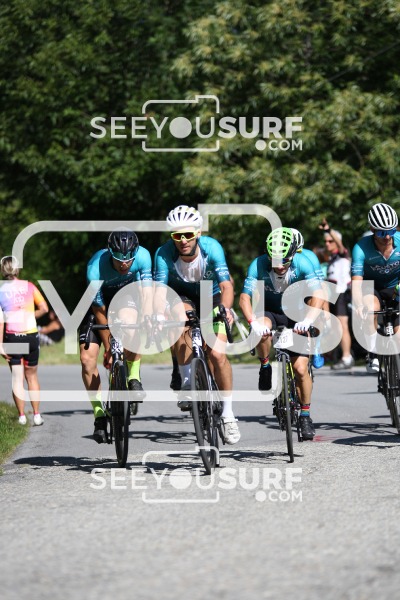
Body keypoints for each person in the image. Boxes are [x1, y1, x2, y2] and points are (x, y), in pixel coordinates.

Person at [153, 205, 240, 445]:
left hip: (211, 295)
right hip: (181, 296)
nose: (183, 240)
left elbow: (226, 285)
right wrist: (159, 314)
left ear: (198, 233)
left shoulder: (212, 248)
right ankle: (187, 381)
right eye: (177, 235)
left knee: (218, 355)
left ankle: (228, 414)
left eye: (188, 234)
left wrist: (226, 308)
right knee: (180, 317)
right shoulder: (163, 253)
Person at [239, 227, 324, 441]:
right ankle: (265, 366)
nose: (278, 266)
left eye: (284, 260)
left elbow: (319, 294)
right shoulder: (258, 264)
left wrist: (308, 321)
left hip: (297, 313)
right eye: (274, 260)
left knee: (300, 369)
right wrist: (253, 323)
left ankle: (305, 416)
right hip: (269, 310)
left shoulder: (303, 263)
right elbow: (244, 298)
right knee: (261, 330)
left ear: (293, 254)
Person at [79, 228, 153, 444]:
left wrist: (147, 316)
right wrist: (109, 346)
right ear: (110, 252)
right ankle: (99, 416)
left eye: (129, 258)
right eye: (119, 258)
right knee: (86, 360)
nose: (124, 263)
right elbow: (100, 311)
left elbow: (147, 293)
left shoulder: (143, 256)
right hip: (98, 307)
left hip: (126, 298)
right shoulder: (95, 268)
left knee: (132, 323)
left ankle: (134, 377)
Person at [352, 203, 400, 373]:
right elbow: (356, 282)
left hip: (395, 286)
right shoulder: (361, 248)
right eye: (381, 232)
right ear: (372, 229)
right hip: (371, 287)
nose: (387, 237)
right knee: (371, 309)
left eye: (391, 231)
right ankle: (372, 351)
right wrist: (359, 305)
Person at [0, 256, 48, 425]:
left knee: (17, 378)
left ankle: (21, 416)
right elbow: (44, 308)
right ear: (17, 270)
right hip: (31, 336)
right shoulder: (29, 286)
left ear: (2, 271)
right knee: (32, 377)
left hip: (12, 337)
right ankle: (36, 415)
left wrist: (0, 345)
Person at [319, 218, 353, 370]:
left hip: (341, 293)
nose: (327, 244)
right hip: (333, 294)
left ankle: (347, 357)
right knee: (335, 327)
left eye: (330, 241)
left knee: (342, 326)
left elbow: (339, 243)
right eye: (325, 241)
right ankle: (343, 355)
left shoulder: (341, 254)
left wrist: (329, 230)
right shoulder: (332, 258)